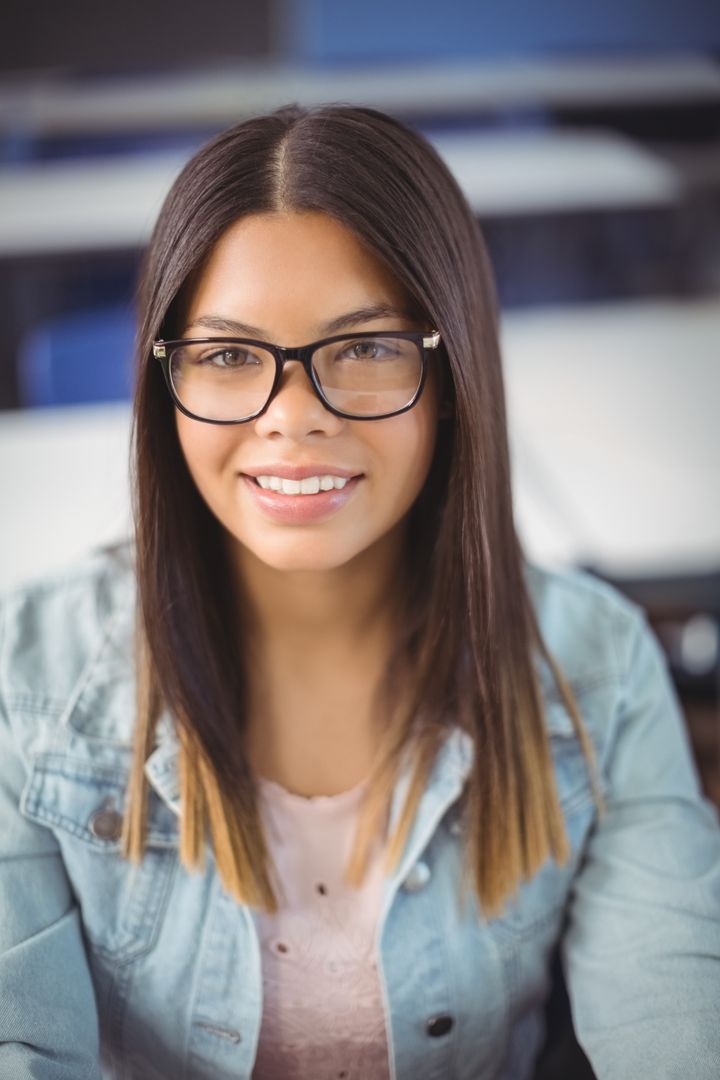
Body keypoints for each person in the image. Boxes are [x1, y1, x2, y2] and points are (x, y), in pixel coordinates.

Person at [1, 103, 718, 1080]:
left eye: (368, 348)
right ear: (162, 380)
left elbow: (677, 1025)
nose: (293, 418)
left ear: (453, 370)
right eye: (225, 355)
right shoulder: (24, 678)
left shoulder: (599, 668)